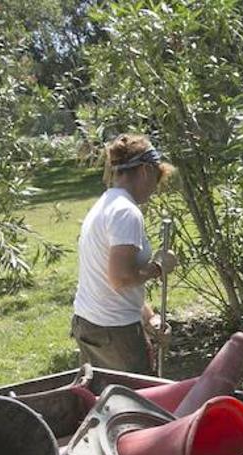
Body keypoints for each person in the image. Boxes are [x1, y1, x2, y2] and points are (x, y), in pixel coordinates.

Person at [71, 134, 178, 374]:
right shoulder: (126, 212)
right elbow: (120, 278)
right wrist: (159, 268)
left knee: (103, 399)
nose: (155, 188)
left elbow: (110, 281)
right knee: (135, 403)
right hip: (115, 332)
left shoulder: (106, 204)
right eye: (157, 177)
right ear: (144, 171)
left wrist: (149, 317)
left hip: (90, 323)